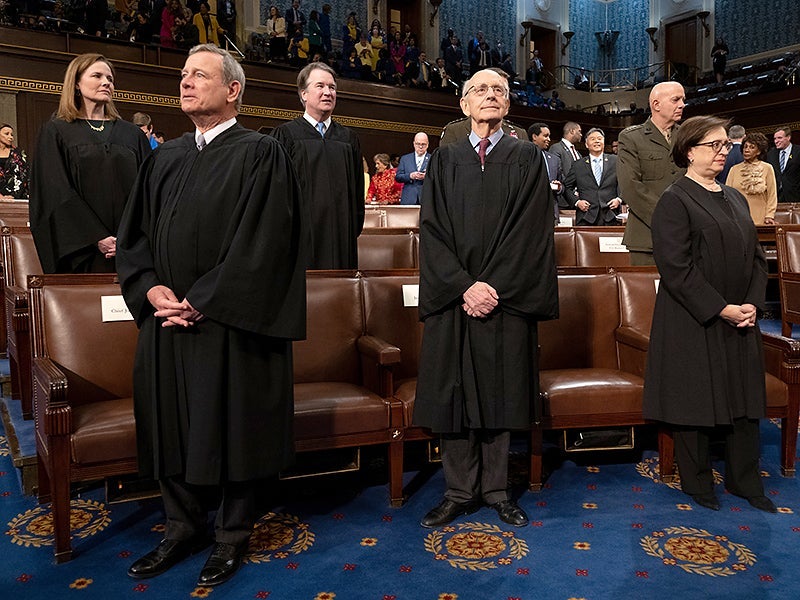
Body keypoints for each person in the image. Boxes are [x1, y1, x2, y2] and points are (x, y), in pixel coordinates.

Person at [119, 43, 306, 587]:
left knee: (232, 423)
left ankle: (230, 534)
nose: (185, 82)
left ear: (233, 90)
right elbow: (134, 238)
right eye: (183, 75)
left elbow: (266, 244)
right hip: (165, 319)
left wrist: (204, 299)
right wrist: (150, 289)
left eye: (198, 75)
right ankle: (180, 526)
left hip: (227, 322)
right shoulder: (165, 156)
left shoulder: (261, 153)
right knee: (169, 417)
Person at [415, 68, 558, 529]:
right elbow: (432, 231)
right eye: (480, 90)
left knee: (501, 393)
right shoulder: (444, 159)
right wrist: (462, 286)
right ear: (464, 105)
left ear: (508, 104)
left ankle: (497, 489)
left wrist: (491, 286)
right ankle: (457, 490)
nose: (490, 96)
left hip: (504, 297)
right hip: (456, 298)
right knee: (453, 393)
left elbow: (532, 232)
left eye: (499, 90)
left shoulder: (526, 158)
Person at [644, 115, 776, 514]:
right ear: (688, 151)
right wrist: (721, 308)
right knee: (695, 404)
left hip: (742, 315)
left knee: (744, 402)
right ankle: (698, 483)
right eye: (714, 146)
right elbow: (675, 267)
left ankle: (745, 481)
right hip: (695, 317)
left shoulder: (733, 196)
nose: (723, 152)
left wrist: (752, 302)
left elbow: (756, 257)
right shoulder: (675, 199)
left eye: (725, 146)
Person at [30, 53, 151, 273]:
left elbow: (149, 192)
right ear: (76, 83)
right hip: (83, 252)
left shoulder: (132, 135)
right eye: (97, 76)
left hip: (131, 250)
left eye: (110, 78)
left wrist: (130, 238)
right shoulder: (57, 131)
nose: (106, 82)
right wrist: (97, 237)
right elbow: (55, 191)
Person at [271, 62, 364, 269]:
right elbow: (277, 195)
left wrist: (348, 229)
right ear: (303, 94)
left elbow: (357, 195)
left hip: (342, 239)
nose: (327, 92)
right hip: (301, 239)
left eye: (332, 87)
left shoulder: (348, 139)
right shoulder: (286, 135)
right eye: (320, 86)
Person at [618, 81, 686, 265]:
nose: (682, 105)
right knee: (647, 293)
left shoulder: (688, 137)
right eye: (676, 99)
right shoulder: (631, 137)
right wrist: (669, 217)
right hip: (647, 238)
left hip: (687, 237)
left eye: (683, 100)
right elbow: (630, 187)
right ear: (656, 104)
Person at [564, 128, 622, 225]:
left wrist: (619, 199)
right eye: (593, 139)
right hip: (586, 216)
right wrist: (577, 202)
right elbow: (566, 187)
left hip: (610, 215)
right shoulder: (578, 165)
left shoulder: (615, 161)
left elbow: (625, 183)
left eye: (599, 138)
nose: (597, 141)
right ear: (586, 144)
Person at [726, 132, 778, 225]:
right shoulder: (734, 169)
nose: (747, 150)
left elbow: (772, 195)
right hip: (738, 218)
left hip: (760, 218)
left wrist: (769, 215)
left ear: (759, 151)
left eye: (752, 147)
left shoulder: (767, 168)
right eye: (745, 147)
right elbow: (727, 195)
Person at [527, 122, 564, 222]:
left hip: (551, 213)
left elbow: (563, 184)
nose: (549, 139)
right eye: (545, 136)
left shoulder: (554, 159)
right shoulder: (522, 156)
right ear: (534, 136)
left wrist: (559, 187)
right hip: (529, 212)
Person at [766, 126, 800, 202]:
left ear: (788, 137)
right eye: (775, 139)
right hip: (776, 198)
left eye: (779, 138)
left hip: (795, 197)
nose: (776, 141)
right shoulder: (771, 154)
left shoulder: (798, 152)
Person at [395, 132, 430, 205]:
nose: (420, 147)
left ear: (427, 145)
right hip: (408, 198)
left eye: (423, 144)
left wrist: (427, 176)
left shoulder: (432, 158)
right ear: (414, 144)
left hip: (426, 198)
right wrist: (410, 176)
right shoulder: (405, 159)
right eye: (418, 144)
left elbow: (438, 178)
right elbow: (398, 177)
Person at [550, 121, 582, 193]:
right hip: (563, 197)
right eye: (579, 131)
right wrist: (570, 190)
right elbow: (557, 172)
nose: (581, 134)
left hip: (578, 198)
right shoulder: (556, 148)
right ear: (572, 131)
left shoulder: (578, 154)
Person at [0, 123, 29, 199]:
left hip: (16, 197)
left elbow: (24, 176)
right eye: (7, 134)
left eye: (12, 135)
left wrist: (13, 196)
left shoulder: (18, 153)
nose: (11, 137)